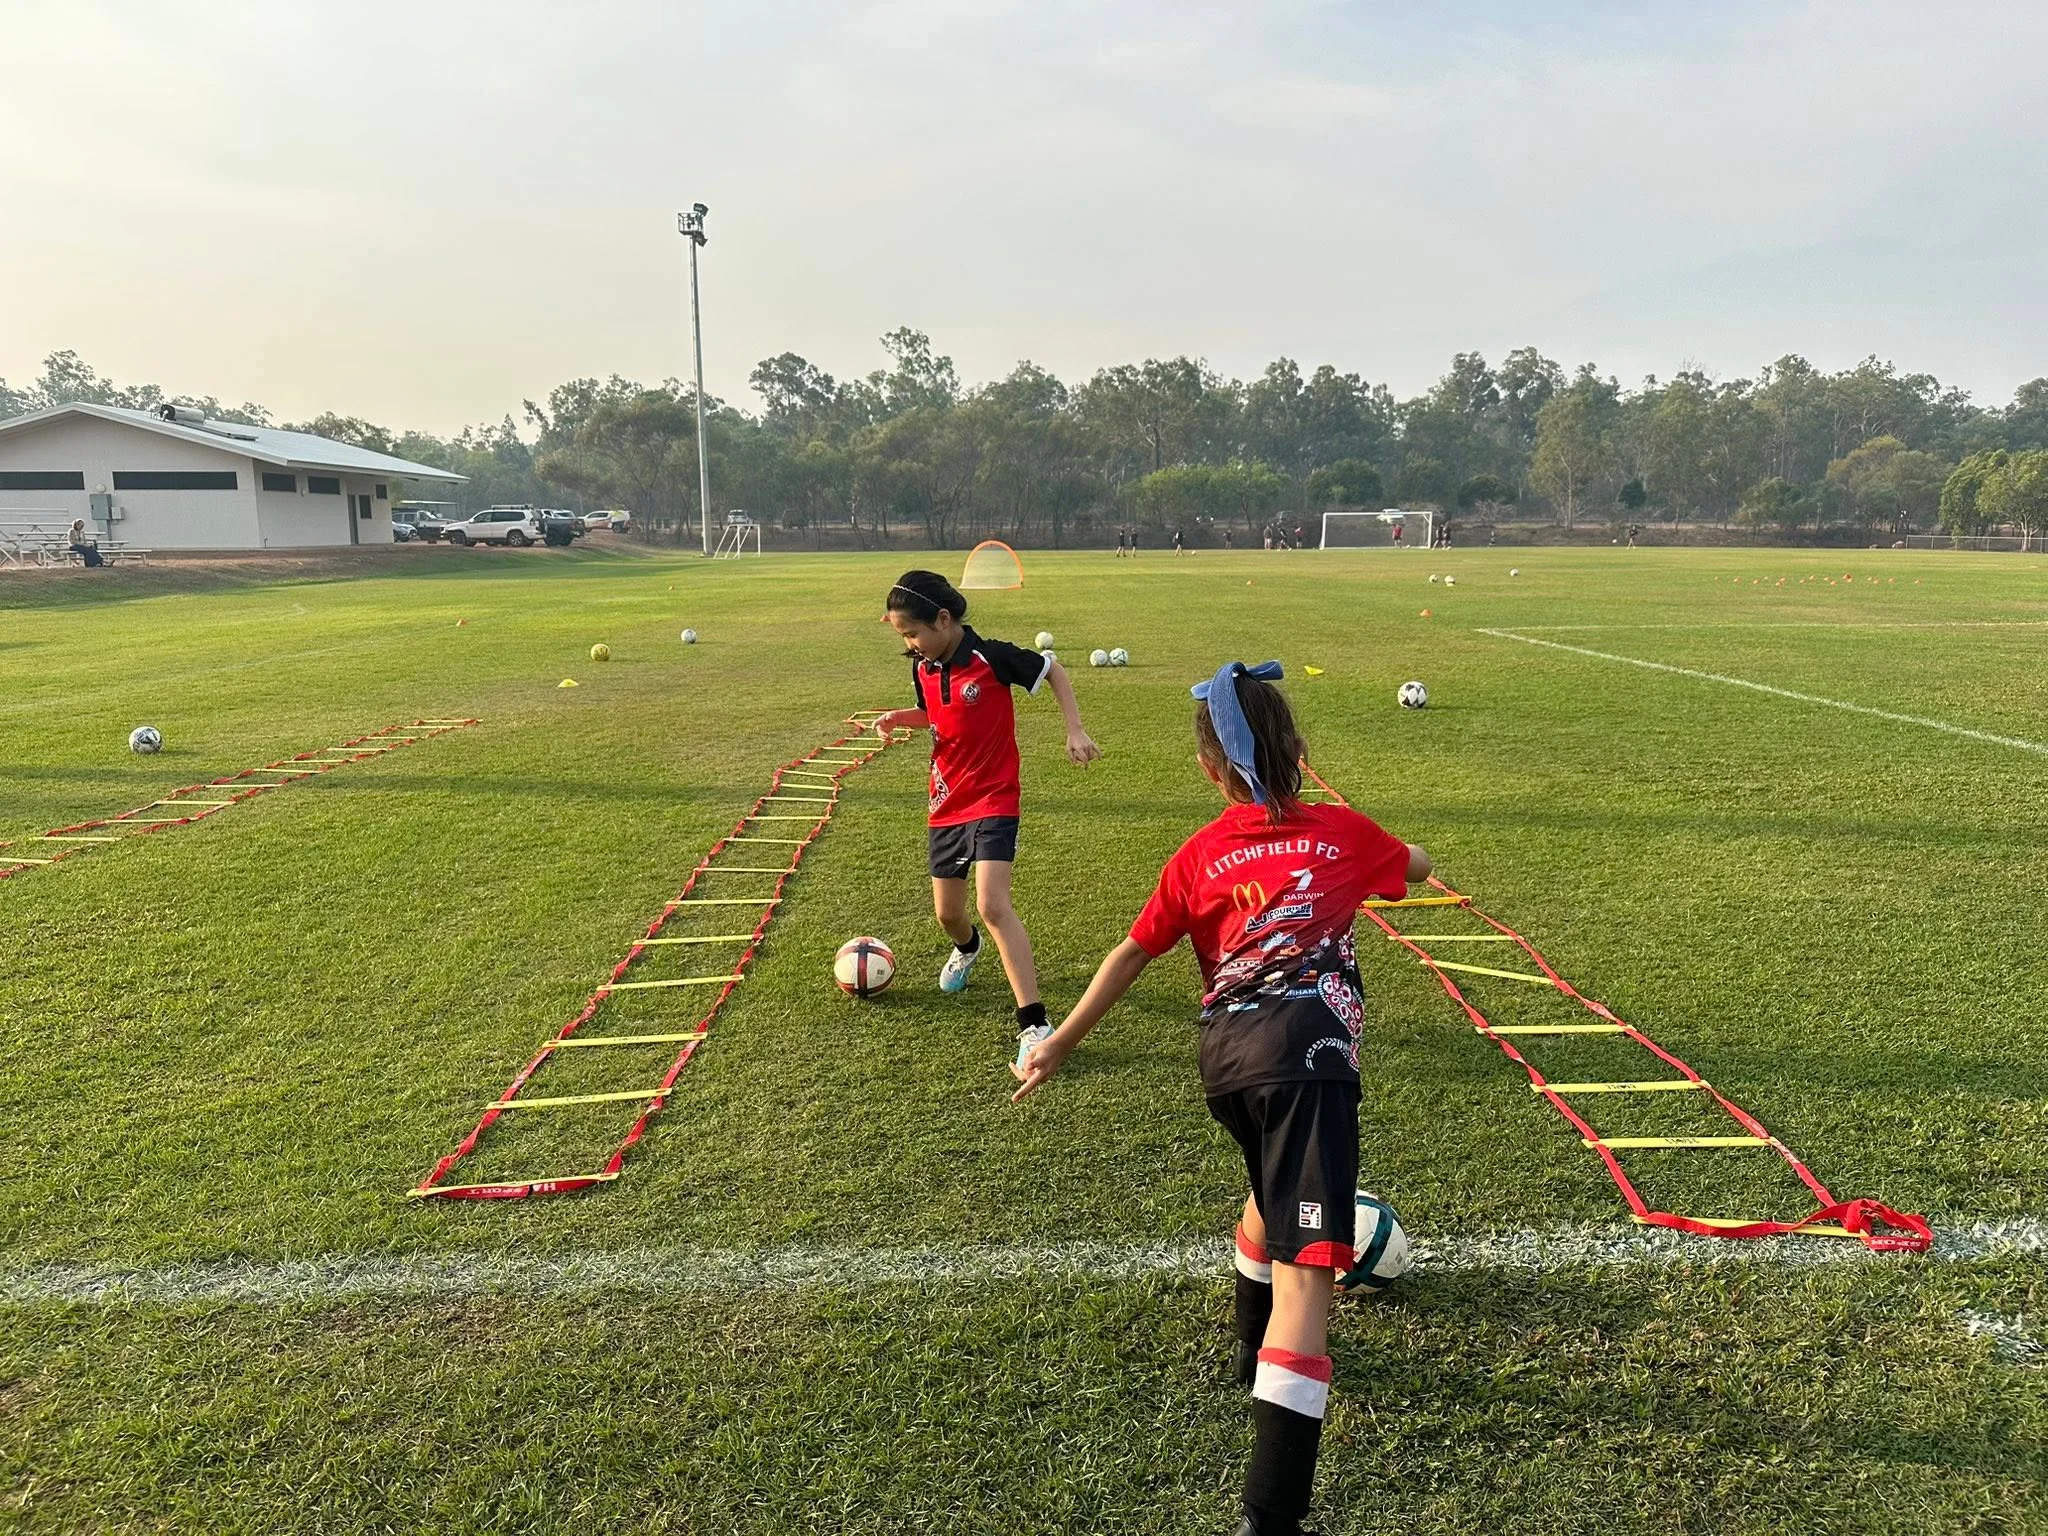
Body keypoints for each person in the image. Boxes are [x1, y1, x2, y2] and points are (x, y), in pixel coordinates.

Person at [1013, 662, 1430, 1536]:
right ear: (1301, 752)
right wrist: (1394, 853)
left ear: (1210, 769)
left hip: (1227, 1063)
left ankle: (1248, 1347)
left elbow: (1132, 952)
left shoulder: (1199, 854)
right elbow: (1415, 868)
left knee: (1267, 1195)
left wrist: (1059, 1042)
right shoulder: (1346, 833)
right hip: (1306, 1065)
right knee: (1308, 1288)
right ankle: (1270, 1519)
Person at [873, 570, 1102, 1069]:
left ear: (943, 619)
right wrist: (899, 717)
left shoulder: (990, 657)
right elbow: (935, 713)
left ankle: (1035, 1023)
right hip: (945, 803)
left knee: (992, 904)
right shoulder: (924, 666)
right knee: (949, 915)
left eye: (912, 633)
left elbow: (1054, 670)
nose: (909, 644)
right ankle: (968, 947)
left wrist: (1075, 730)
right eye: (903, 637)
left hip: (995, 798)